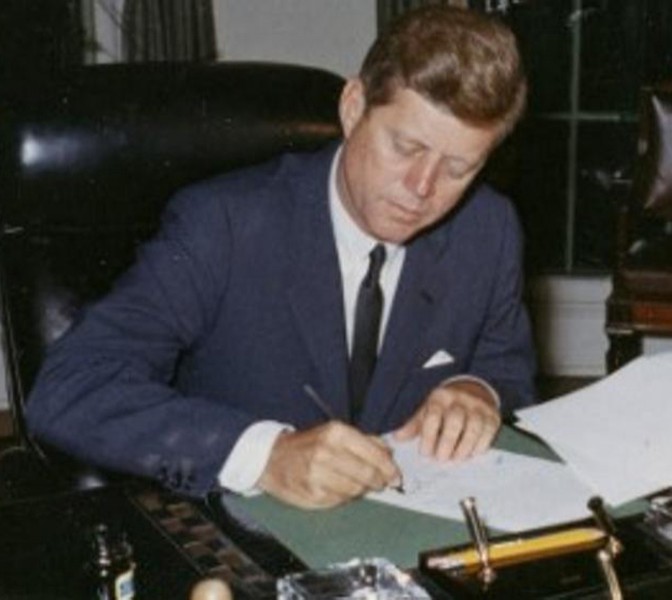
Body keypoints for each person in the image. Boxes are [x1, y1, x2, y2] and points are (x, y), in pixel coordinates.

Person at [25, 5, 536, 509]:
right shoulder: (223, 223)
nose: (421, 188)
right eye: (405, 147)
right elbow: (69, 390)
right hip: (244, 535)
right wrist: (265, 456)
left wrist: (476, 392)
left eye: (458, 167)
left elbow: (506, 372)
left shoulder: (486, 229)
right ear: (354, 106)